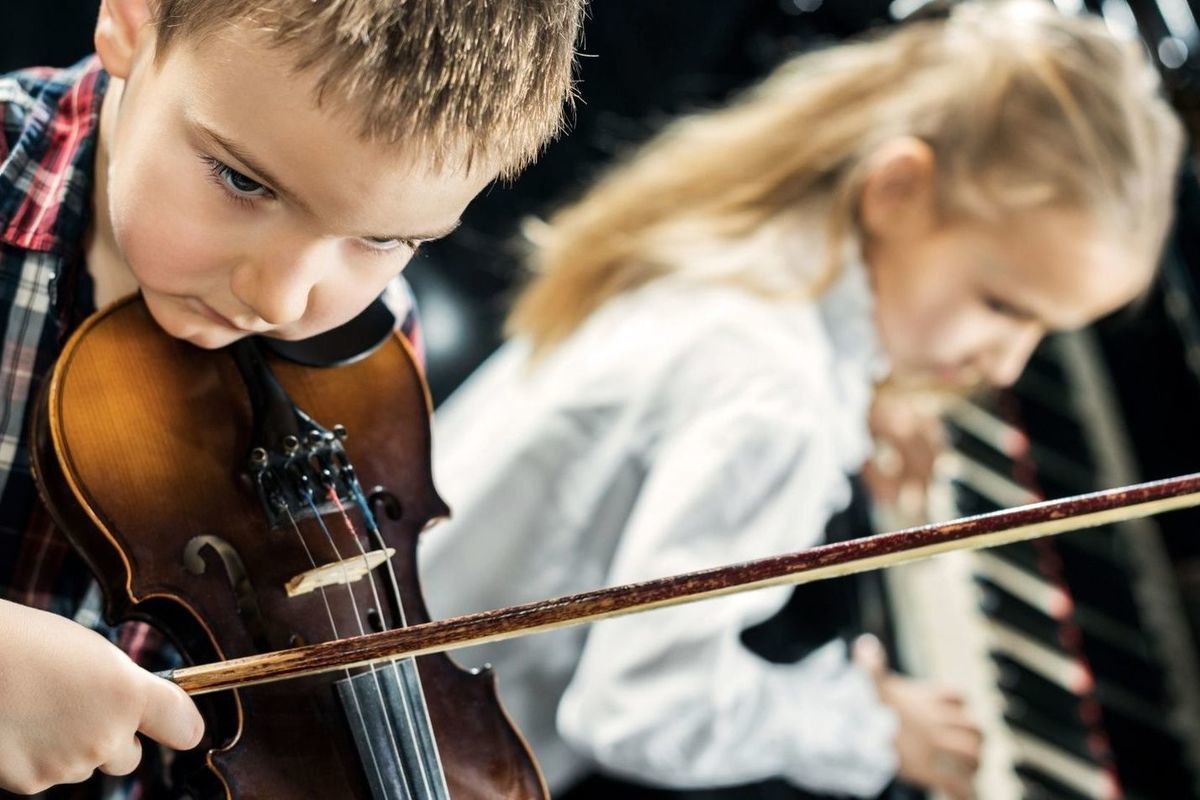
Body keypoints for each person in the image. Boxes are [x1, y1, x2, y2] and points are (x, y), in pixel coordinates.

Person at [416, 2, 1185, 799]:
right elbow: (639, 710)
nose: (1008, 362)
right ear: (896, 189)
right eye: (1003, 306)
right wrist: (868, 725)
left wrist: (868, 392)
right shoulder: (779, 403)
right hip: (426, 758)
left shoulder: (753, 241)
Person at [0, 0, 583, 795]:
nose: (281, 300)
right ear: (132, 22)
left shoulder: (370, 338)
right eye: (243, 181)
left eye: (380, 240)